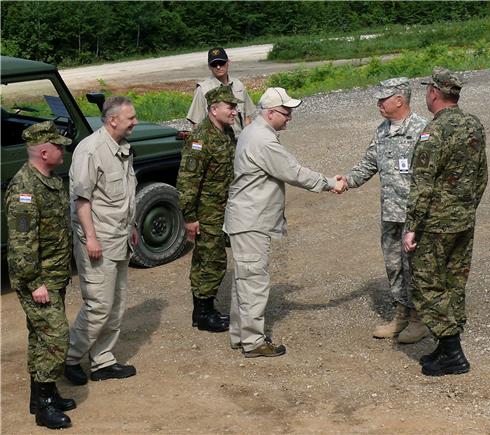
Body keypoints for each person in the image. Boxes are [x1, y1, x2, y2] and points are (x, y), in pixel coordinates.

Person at [224, 87, 347, 358]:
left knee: (245, 280)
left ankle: (241, 336)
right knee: (254, 281)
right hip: (251, 222)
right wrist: (329, 183)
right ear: (270, 113)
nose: (290, 117)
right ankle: (254, 342)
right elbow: (292, 171)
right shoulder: (263, 140)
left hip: (247, 220)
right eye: (286, 112)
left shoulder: (254, 132)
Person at [403, 67, 488, 376]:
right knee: (454, 282)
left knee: (427, 283)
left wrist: (411, 227)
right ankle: (444, 347)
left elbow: (422, 184)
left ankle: (452, 352)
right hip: (463, 221)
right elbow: (482, 175)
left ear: (434, 93)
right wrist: (466, 209)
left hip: (435, 225)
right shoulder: (473, 125)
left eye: (428, 90)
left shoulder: (433, 132)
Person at [341, 77, 429, 344]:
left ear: (399, 100)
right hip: (390, 214)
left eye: (383, 98)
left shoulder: (423, 130)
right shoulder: (382, 131)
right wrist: (345, 181)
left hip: (413, 215)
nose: (378, 103)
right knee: (394, 266)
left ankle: (419, 320)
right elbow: (369, 163)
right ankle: (401, 315)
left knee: (414, 267)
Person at [5, 121, 76, 429]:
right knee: (56, 336)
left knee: (41, 336)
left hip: (54, 274)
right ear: (44, 151)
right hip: (37, 279)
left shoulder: (49, 179)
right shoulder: (25, 189)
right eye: (58, 146)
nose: (62, 150)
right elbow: (21, 246)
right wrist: (35, 283)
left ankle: (42, 394)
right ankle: (44, 407)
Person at [64, 96, 139, 385]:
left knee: (116, 303)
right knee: (98, 305)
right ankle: (69, 357)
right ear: (113, 120)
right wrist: (91, 239)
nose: (134, 122)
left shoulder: (122, 148)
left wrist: (131, 225)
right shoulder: (91, 150)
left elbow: (124, 195)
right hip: (98, 241)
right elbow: (81, 200)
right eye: (130, 118)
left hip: (119, 236)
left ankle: (103, 360)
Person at [177, 86, 242, 333]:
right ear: (214, 109)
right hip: (206, 212)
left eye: (235, 107)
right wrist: (190, 217)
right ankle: (205, 313)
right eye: (230, 107)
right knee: (212, 261)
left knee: (208, 258)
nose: (235, 111)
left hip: (222, 208)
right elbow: (187, 181)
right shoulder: (200, 139)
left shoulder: (226, 133)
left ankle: (201, 311)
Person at [187, 47, 257, 138]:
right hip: (218, 146)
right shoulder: (203, 89)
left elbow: (247, 118)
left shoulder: (238, 85)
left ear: (228, 62)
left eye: (221, 63)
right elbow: (196, 124)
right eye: (214, 64)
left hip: (240, 141)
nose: (218, 67)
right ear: (209, 66)